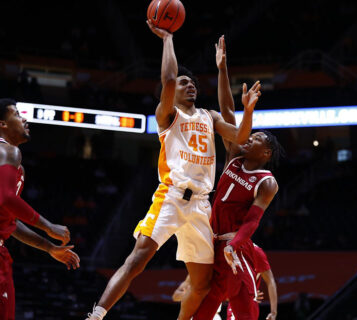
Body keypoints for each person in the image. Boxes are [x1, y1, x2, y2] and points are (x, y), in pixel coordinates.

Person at [86, 21, 260, 320]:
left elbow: (240, 137)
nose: (189, 84)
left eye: (192, 82)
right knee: (137, 260)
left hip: (201, 205)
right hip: (171, 196)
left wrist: (248, 109)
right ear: (172, 93)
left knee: (203, 284)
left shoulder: (209, 116)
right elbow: (167, 80)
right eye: (183, 83)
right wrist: (167, 39)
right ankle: (96, 315)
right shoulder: (167, 116)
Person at [192, 35, 283, 320]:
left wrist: (234, 243)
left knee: (243, 308)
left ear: (266, 152)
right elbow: (228, 111)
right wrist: (222, 69)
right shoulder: (234, 156)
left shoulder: (267, 181)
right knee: (207, 301)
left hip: (235, 248)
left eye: (254, 138)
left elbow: (253, 220)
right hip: (213, 241)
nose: (247, 139)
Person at [0, 98, 80, 319]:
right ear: (2, 124)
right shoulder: (8, 151)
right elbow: (7, 199)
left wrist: (48, 247)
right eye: (16, 114)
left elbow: (9, 221)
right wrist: (48, 226)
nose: (24, 118)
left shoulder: (15, 165)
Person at [225, 243, 277, 320]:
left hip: (248, 304)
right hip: (233, 302)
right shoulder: (226, 248)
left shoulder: (256, 251)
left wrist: (273, 312)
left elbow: (270, 280)